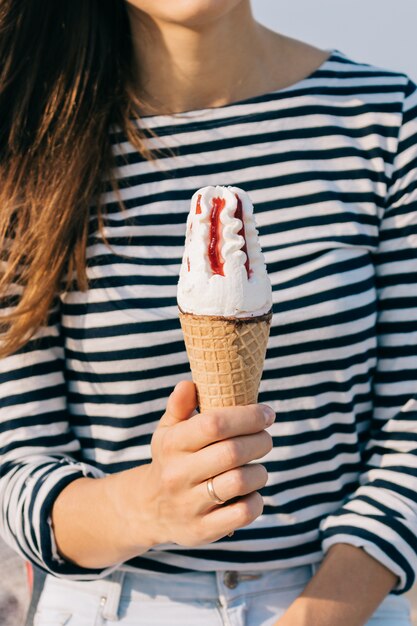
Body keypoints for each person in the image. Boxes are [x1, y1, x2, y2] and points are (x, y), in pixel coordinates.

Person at [0, 1, 416, 625]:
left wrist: (312, 618)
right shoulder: (30, 139)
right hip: (113, 605)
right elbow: (18, 468)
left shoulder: (386, 118)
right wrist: (152, 505)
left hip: (339, 603)